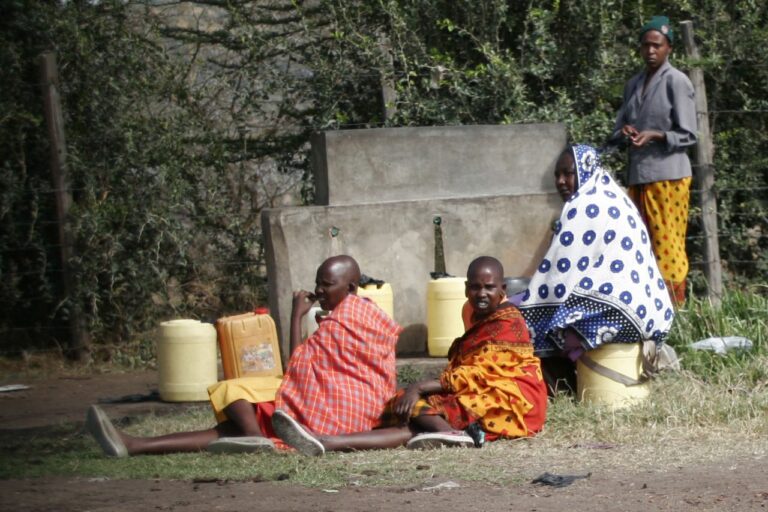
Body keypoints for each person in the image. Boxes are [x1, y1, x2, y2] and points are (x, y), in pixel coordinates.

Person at [86, 255, 402, 456]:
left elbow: (298, 365)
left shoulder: (347, 317)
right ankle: (135, 445)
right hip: (337, 395)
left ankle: (254, 441)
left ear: (350, 288)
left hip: (344, 409)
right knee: (233, 422)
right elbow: (310, 368)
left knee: (236, 392)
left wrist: (295, 317)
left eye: (327, 285)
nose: (319, 290)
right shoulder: (359, 313)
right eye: (317, 283)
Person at [270, 256, 548, 456]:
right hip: (480, 388)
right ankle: (329, 442)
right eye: (475, 287)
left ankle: (451, 434)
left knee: (416, 404)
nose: (481, 293)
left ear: (504, 291)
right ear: (466, 289)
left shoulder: (509, 322)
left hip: (513, 399)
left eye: (489, 287)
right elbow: (471, 367)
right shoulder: (471, 312)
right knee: (408, 412)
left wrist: (419, 386)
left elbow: (481, 372)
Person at [518, 144, 675, 392]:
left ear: (586, 170)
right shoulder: (611, 196)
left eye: (567, 173)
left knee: (523, 321)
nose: (560, 181)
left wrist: (521, 305)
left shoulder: (585, 205)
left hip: (613, 314)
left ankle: (562, 389)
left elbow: (558, 281)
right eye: (557, 175)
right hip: (646, 313)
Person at [608, 15, 698, 305]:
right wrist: (625, 131)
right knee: (640, 245)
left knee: (668, 245)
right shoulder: (634, 84)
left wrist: (656, 135)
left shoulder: (676, 81)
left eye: (656, 46)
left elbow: (688, 134)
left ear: (669, 47)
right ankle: (648, 304)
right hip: (639, 176)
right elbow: (618, 127)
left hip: (668, 176)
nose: (650, 51)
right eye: (645, 45)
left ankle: (675, 308)